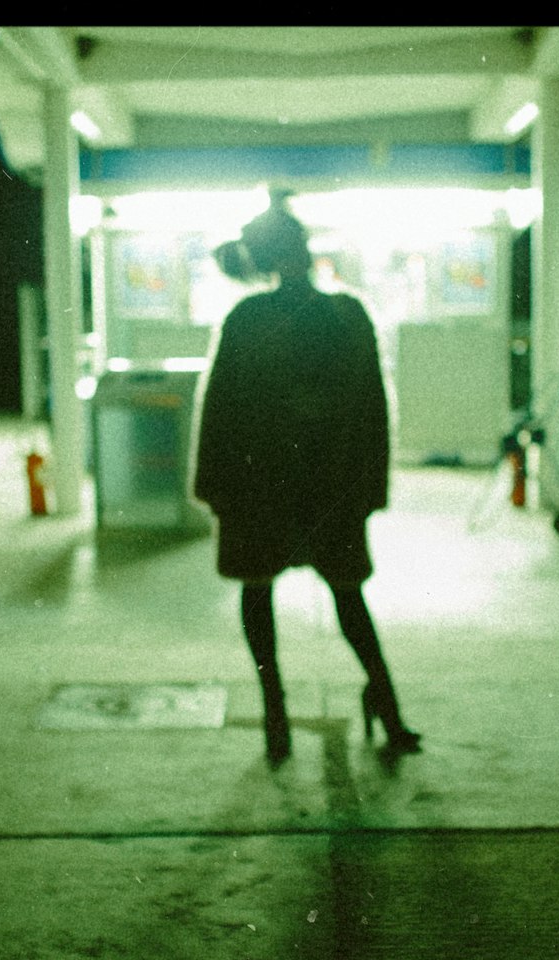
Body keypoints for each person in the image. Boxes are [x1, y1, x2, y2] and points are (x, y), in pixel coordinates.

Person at [193, 191, 421, 767]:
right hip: (331, 483)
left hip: (260, 484)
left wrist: (217, 487)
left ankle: (276, 712)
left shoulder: (245, 319)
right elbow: (372, 411)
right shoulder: (348, 314)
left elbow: (219, 411)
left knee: (258, 589)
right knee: (349, 597)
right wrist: (369, 487)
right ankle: (385, 702)